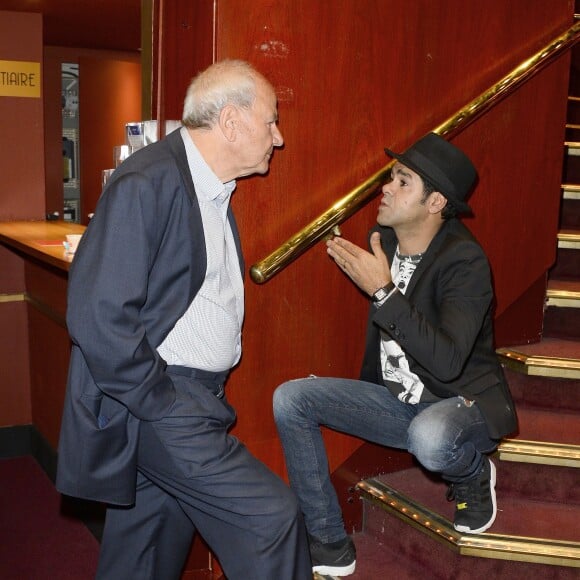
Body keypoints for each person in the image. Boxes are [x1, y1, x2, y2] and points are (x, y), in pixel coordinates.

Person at [56, 59, 312, 580]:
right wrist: (160, 402)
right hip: (164, 400)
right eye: (271, 121)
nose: (278, 138)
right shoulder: (148, 181)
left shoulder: (208, 186)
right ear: (232, 122)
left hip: (192, 396)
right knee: (272, 519)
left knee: (144, 555)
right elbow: (98, 316)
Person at [273, 133, 518, 577]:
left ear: (436, 202)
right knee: (291, 399)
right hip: (400, 404)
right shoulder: (381, 241)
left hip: (461, 404)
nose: (385, 187)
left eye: (402, 181)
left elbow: (447, 363)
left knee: (430, 436)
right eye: (391, 177)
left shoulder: (466, 263)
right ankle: (328, 541)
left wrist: (383, 293)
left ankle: (472, 475)